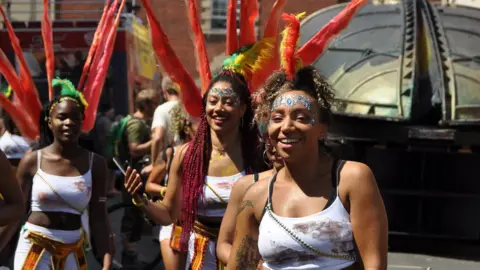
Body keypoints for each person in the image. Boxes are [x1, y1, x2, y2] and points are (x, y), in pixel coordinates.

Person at [14, 79, 114, 269]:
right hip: (34, 247)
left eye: (75, 118)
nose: (69, 123)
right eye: (62, 117)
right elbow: (15, 211)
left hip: (73, 249)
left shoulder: (96, 164)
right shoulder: (31, 160)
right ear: (49, 122)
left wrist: (107, 257)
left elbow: (99, 216)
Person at [145, 103, 198, 270]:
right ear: (187, 125)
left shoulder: (211, 155)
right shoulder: (171, 153)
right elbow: (149, 185)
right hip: (174, 226)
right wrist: (168, 191)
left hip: (201, 229)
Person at [216, 139, 284, 266]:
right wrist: (249, 265)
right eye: (270, 140)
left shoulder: (316, 189)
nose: (276, 147)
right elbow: (223, 244)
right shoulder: (246, 185)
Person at [118, 88, 159, 268]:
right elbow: (134, 149)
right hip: (131, 176)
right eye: (154, 103)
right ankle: (128, 259)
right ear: (146, 105)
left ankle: (132, 257)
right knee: (131, 217)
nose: (156, 107)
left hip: (136, 176)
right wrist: (157, 140)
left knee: (136, 216)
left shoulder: (143, 122)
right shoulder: (135, 124)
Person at [151, 77, 180, 163]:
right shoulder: (188, 107)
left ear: (165, 92)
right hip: (191, 158)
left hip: (171, 160)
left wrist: (153, 164)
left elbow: (157, 138)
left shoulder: (161, 109)